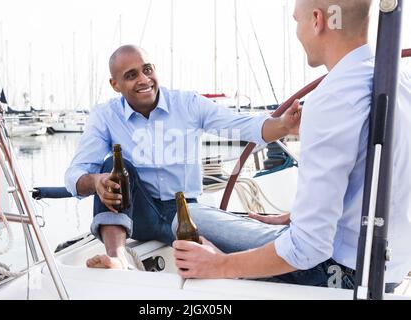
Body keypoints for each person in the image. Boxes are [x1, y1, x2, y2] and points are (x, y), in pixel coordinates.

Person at [173, 0, 411, 292]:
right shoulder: (401, 79)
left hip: (340, 273)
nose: (297, 31)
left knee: (188, 218)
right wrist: (300, 214)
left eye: (296, 21)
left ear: (317, 20)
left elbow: (308, 248)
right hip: (393, 268)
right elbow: (383, 180)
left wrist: (220, 265)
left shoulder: (333, 97)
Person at [64, 45, 302, 269]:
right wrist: (96, 182)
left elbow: (240, 126)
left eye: (147, 70)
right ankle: (117, 259)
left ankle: (319, 254)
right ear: (115, 85)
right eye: (131, 75)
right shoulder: (105, 116)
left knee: (263, 242)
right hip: (138, 215)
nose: (144, 79)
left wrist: (283, 125)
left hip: (185, 211)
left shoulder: (188, 104)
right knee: (114, 166)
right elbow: (76, 174)